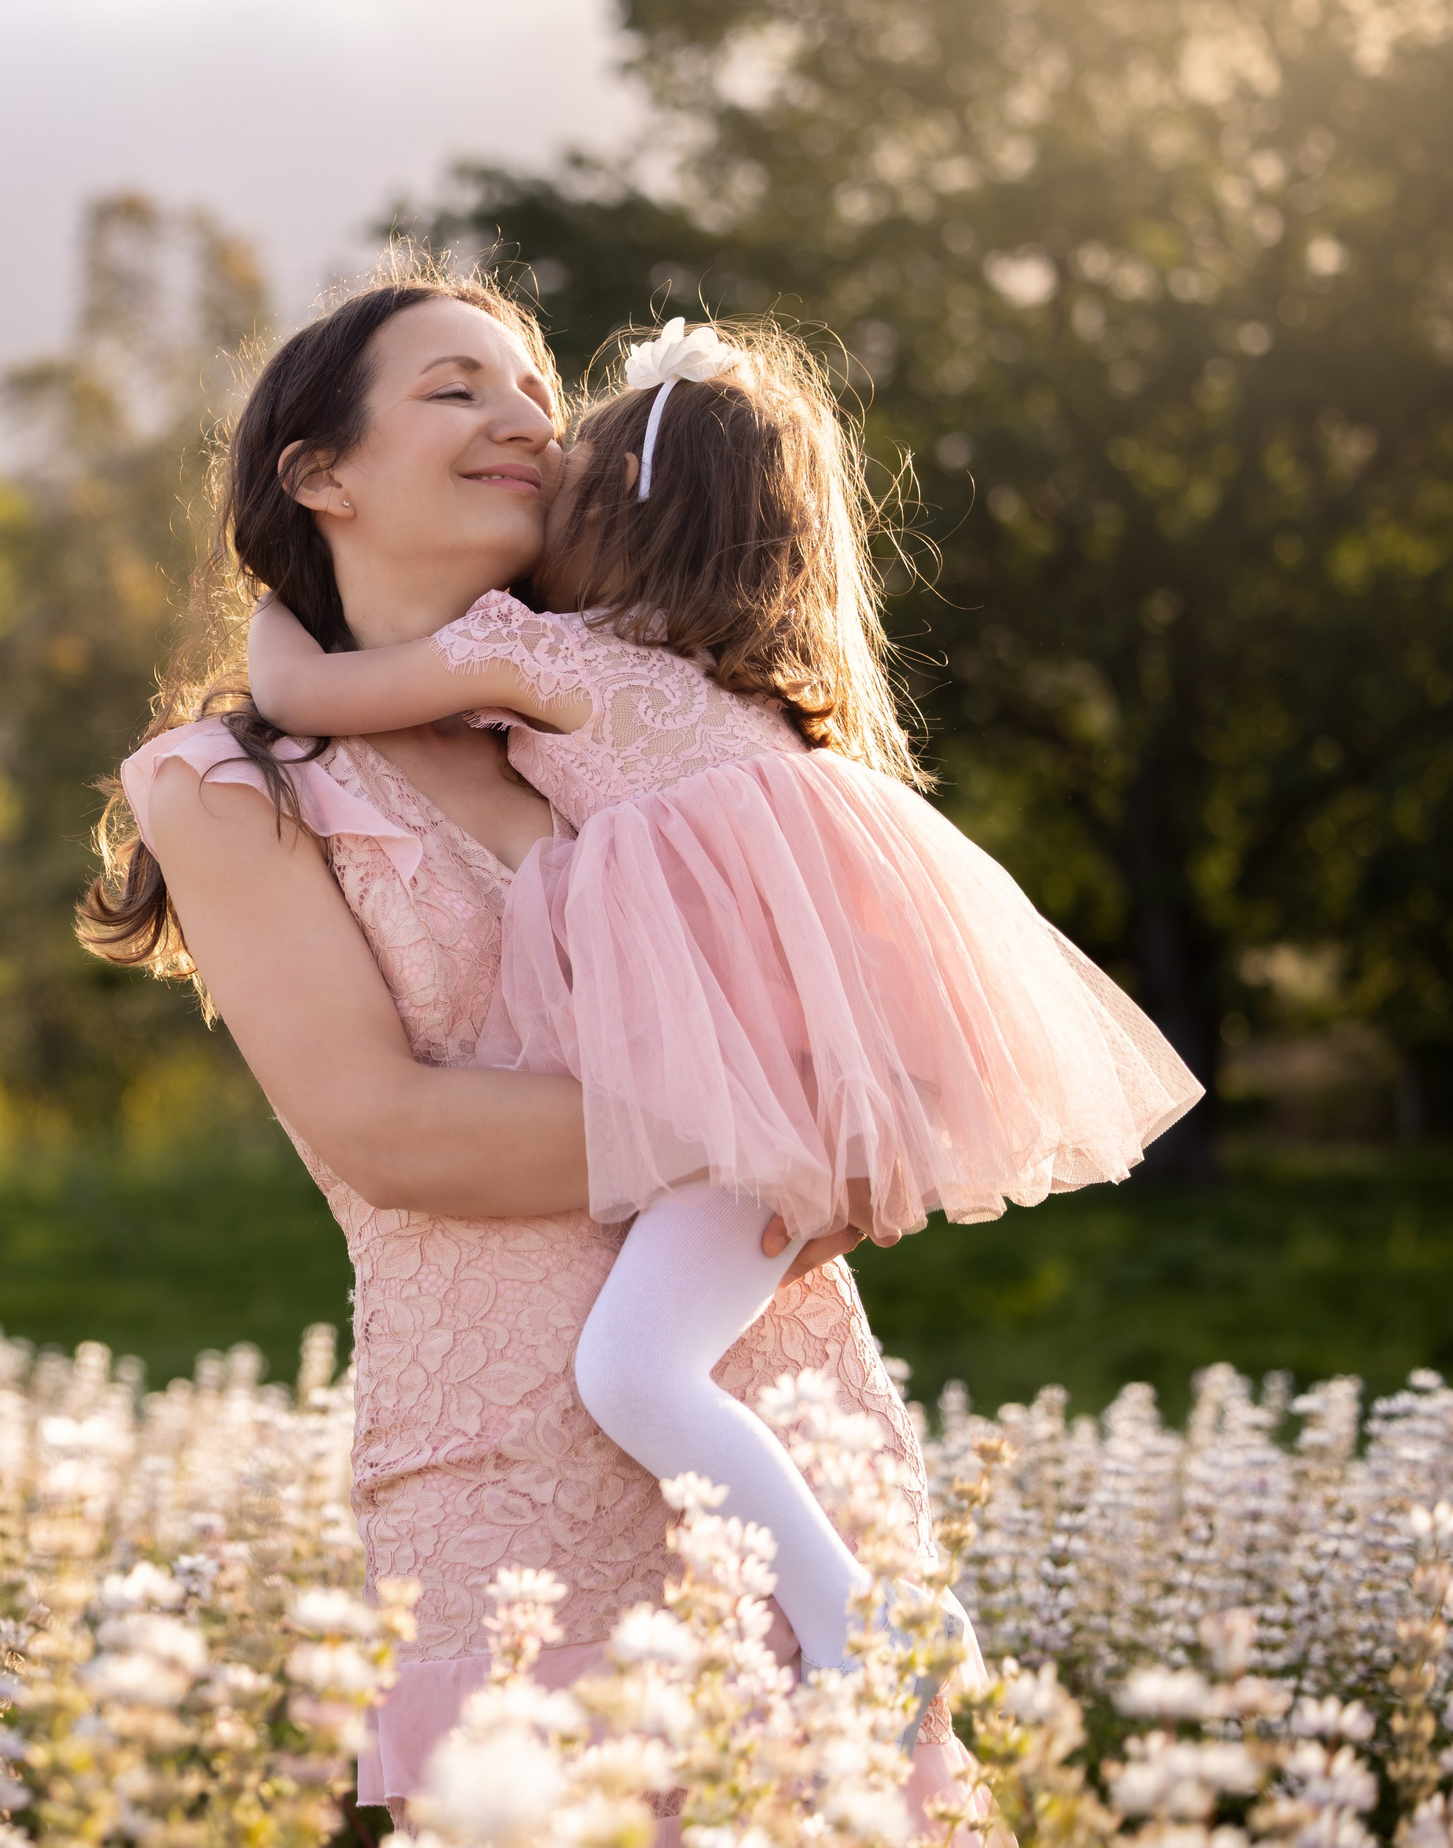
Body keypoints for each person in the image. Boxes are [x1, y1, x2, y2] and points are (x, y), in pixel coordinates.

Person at [78, 270, 977, 1817]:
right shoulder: (228, 782)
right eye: (456, 389)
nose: (521, 421)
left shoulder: (630, 707)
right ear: (321, 472)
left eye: (537, 398)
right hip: (510, 1483)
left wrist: (854, 1108)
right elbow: (392, 1131)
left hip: (784, 1436)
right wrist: (778, 1119)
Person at [240, 313, 1203, 1691]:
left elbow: (309, 693)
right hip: (812, 1092)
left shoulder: (549, 658)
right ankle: (877, 1623)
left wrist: (275, 604)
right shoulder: (742, 693)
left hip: (744, 1106)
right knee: (647, 1366)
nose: (523, 447)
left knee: (633, 1377)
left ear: (609, 523)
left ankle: (872, 1629)